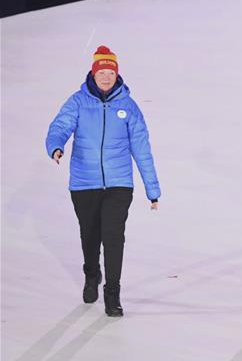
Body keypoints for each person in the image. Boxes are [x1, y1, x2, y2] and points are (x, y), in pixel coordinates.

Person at [45, 45, 161, 317]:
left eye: (111, 72)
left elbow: (142, 149)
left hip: (119, 184)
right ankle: (91, 274)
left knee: (113, 237)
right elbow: (59, 126)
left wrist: (152, 190)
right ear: (93, 74)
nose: (106, 77)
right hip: (85, 184)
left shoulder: (128, 107)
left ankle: (113, 293)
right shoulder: (77, 102)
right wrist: (56, 146)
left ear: (117, 74)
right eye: (102, 72)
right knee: (90, 236)